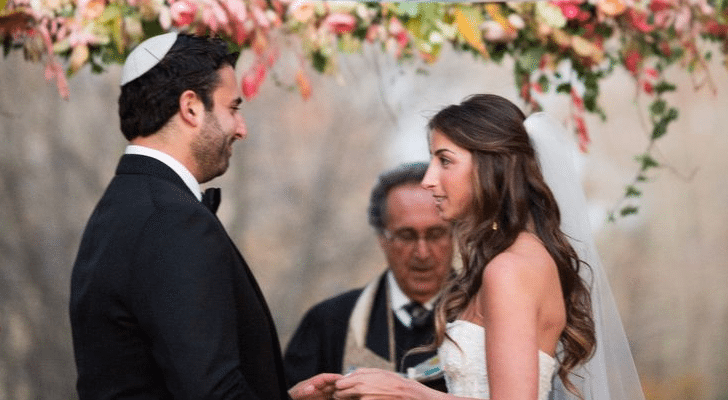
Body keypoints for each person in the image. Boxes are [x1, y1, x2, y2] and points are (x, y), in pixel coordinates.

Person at [69, 32, 338, 400]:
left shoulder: (122, 205)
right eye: (233, 109)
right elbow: (213, 392)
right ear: (191, 108)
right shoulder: (171, 220)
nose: (241, 128)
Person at [334, 94, 645, 400]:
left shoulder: (509, 269)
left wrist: (405, 391)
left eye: (444, 161)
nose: (428, 179)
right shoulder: (517, 258)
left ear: (490, 166)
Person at [284, 162, 453, 393]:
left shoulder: (484, 316)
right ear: (382, 239)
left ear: (456, 233)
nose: (422, 253)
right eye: (406, 235)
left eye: (436, 234)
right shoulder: (328, 324)